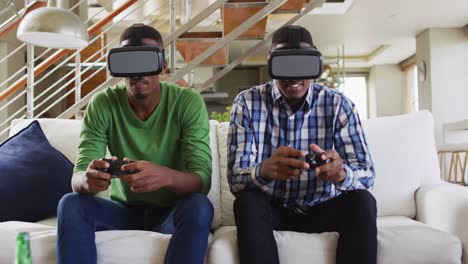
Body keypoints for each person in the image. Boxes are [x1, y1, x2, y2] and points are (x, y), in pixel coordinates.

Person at [56, 24, 213, 264]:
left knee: (199, 205)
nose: (138, 72)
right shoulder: (103, 104)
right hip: (123, 212)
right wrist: (87, 180)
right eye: (130, 61)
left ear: (163, 65)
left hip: (172, 212)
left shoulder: (187, 102)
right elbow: (78, 177)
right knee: (71, 203)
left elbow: (202, 180)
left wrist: (164, 177)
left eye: (146, 61)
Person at [228, 25, 377, 264]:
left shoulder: (339, 105)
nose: (294, 76)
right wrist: (265, 169)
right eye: (285, 64)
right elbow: (236, 180)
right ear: (271, 64)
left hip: (323, 206)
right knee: (247, 202)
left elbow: (367, 176)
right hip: (273, 208)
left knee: (362, 201)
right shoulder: (247, 103)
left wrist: (340, 173)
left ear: (315, 64)